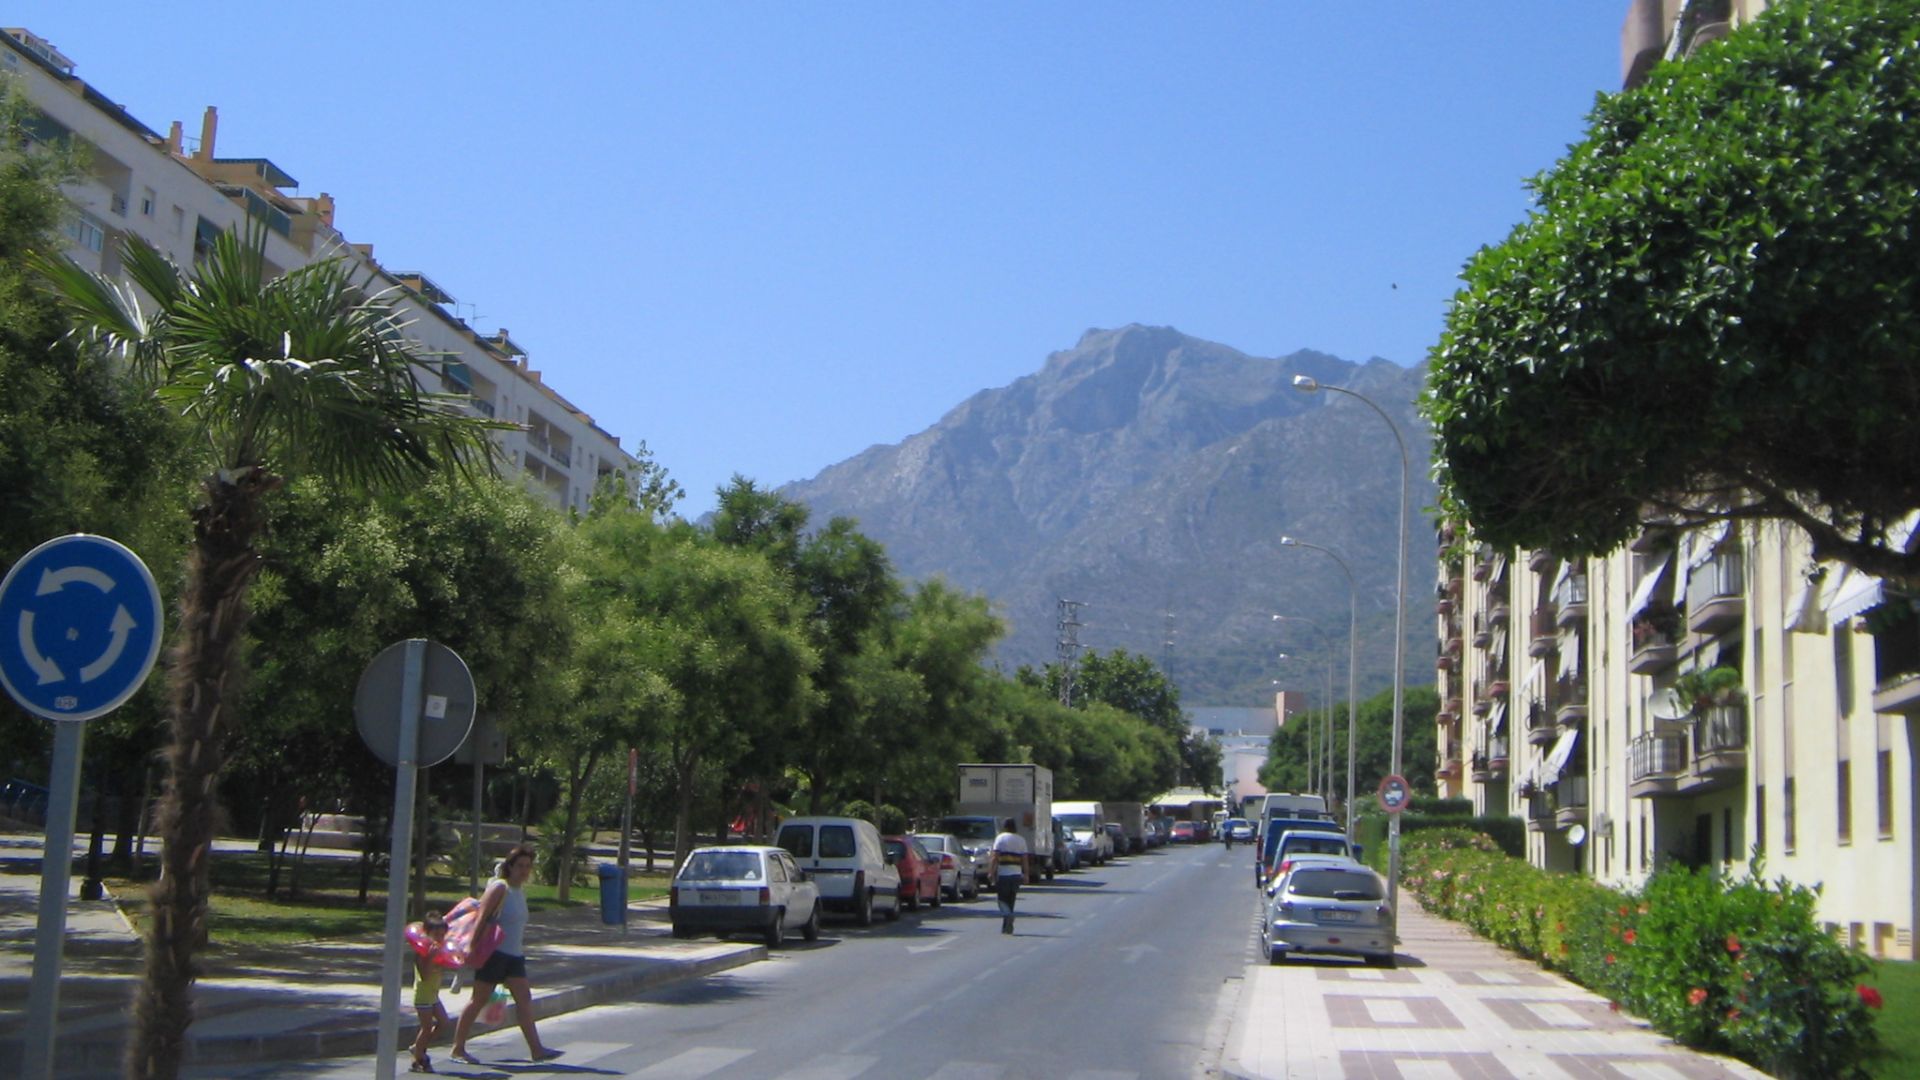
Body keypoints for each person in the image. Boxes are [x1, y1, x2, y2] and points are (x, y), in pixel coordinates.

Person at [449, 846, 562, 1064]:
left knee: (524, 999)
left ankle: (537, 1050)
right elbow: (482, 917)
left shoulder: (520, 891)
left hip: (514, 956)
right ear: (509, 866)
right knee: (479, 999)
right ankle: (458, 1048)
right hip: (495, 954)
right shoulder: (500, 888)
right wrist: (471, 946)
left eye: (527, 866)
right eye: (520, 866)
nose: (524, 870)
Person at [407, 912, 450, 1073]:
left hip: (433, 995)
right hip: (423, 996)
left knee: (444, 1023)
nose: (439, 938)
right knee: (426, 1027)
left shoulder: (439, 950)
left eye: (442, 935)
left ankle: (417, 1048)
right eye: (436, 935)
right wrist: (431, 958)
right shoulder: (422, 953)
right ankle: (419, 1057)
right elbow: (424, 975)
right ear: (426, 934)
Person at [986, 818, 1029, 935]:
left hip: (1003, 874)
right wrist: (1026, 874)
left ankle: (1008, 916)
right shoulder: (1021, 840)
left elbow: (995, 857)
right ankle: (1007, 926)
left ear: (1004, 826)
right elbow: (1024, 859)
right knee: (1011, 900)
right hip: (1016, 874)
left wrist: (991, 872)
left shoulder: (1000, 838)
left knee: (1001, 900)